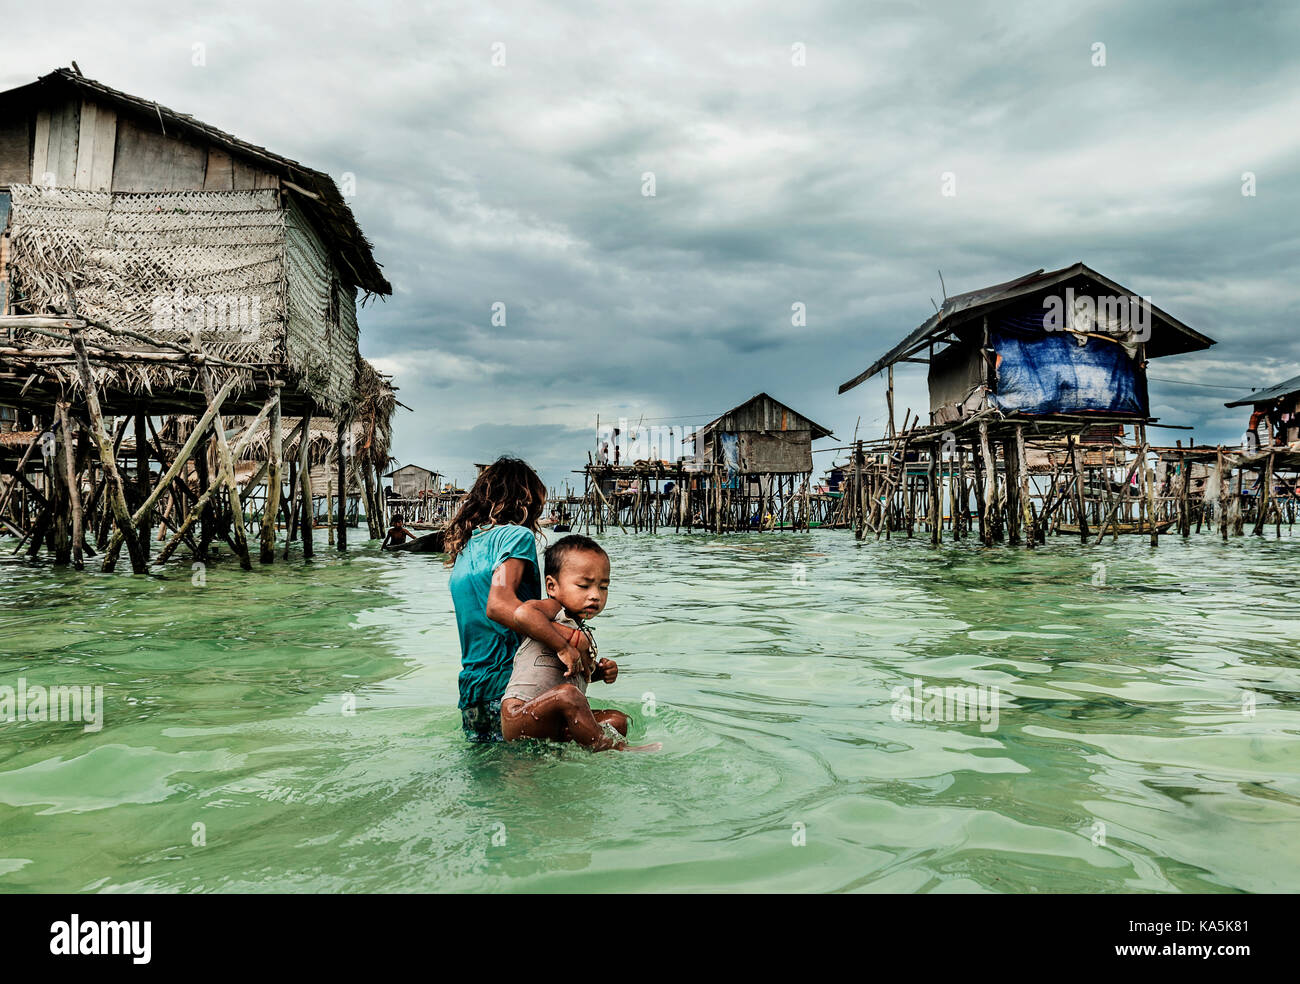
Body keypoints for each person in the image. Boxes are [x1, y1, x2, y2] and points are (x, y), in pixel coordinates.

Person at [446, 457, 593, 742]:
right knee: (613, 726)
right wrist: (569, 641)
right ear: (526, 502)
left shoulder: (466, 549)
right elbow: (499, 605)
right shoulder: (516, 537)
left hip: (473, 692)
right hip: (510, 685)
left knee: (494, 776)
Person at [501, 535, 657, 751]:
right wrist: (562, 646)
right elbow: (522, 613)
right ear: (552, 586)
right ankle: (609, 747)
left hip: (554, 719)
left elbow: (575, 675)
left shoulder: (583, 632)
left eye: (603, 587)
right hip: (520, 714)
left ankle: (580, 748)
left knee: (617, 720)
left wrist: (600, 673)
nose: (595, 596)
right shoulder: (553, 611)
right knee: (569, 695)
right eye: (584, 586)